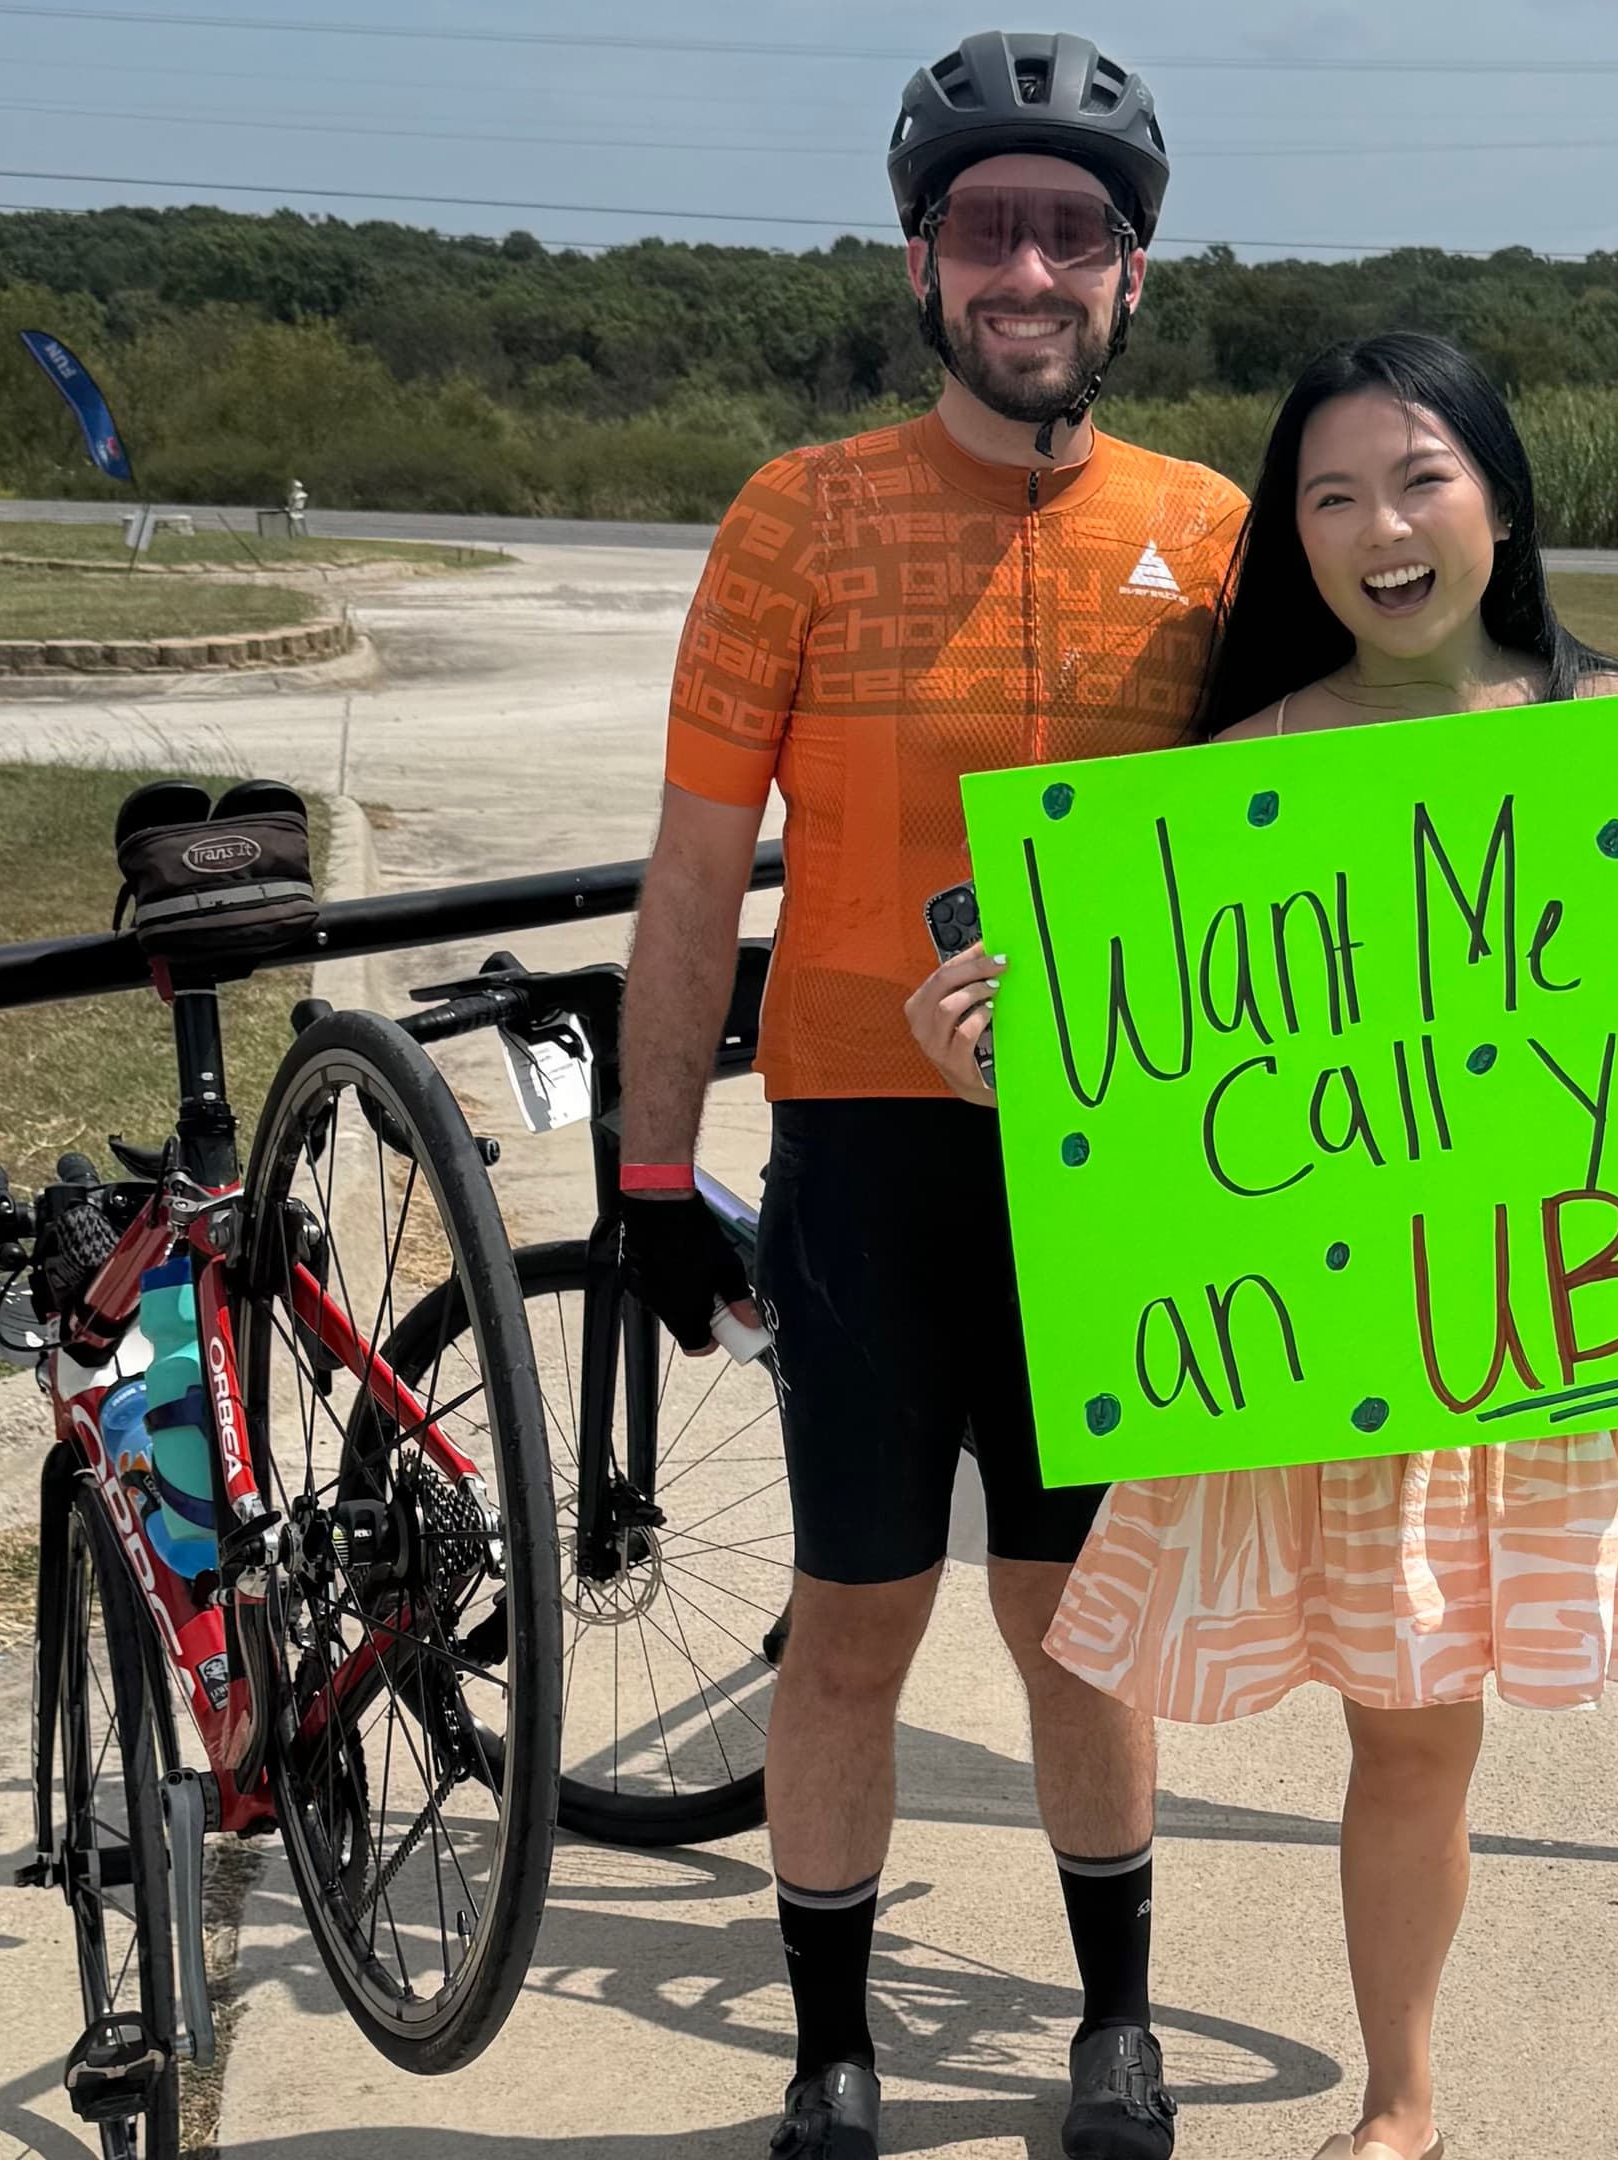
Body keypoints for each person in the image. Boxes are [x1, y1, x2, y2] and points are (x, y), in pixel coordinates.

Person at [901, 332, 1618, 2160]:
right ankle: (1400, 2114)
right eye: (1330, 497)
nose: (1380, 530)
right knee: (1406, 1752)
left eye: (1419, 480)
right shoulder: (1236, 776)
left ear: (1500, 499)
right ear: (1295, 539)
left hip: (1614, 1339)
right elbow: (1166, 1099)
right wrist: (992, 1060)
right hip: (1377, 1370)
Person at [614, 31, 1244, 2160]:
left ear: (1134, 272)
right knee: (853, 1628)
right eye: (988, 226)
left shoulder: (1212, 538)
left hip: (1120, 1177)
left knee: (1077, 1631)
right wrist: (648, 1170)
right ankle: (828, 2051)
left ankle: (1116, 2028)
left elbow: (1416, 779)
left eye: (1074, 229)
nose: (1028, 270)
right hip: (870, 1167)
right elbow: (694, 875)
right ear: (920, 259)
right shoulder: (797, 518)